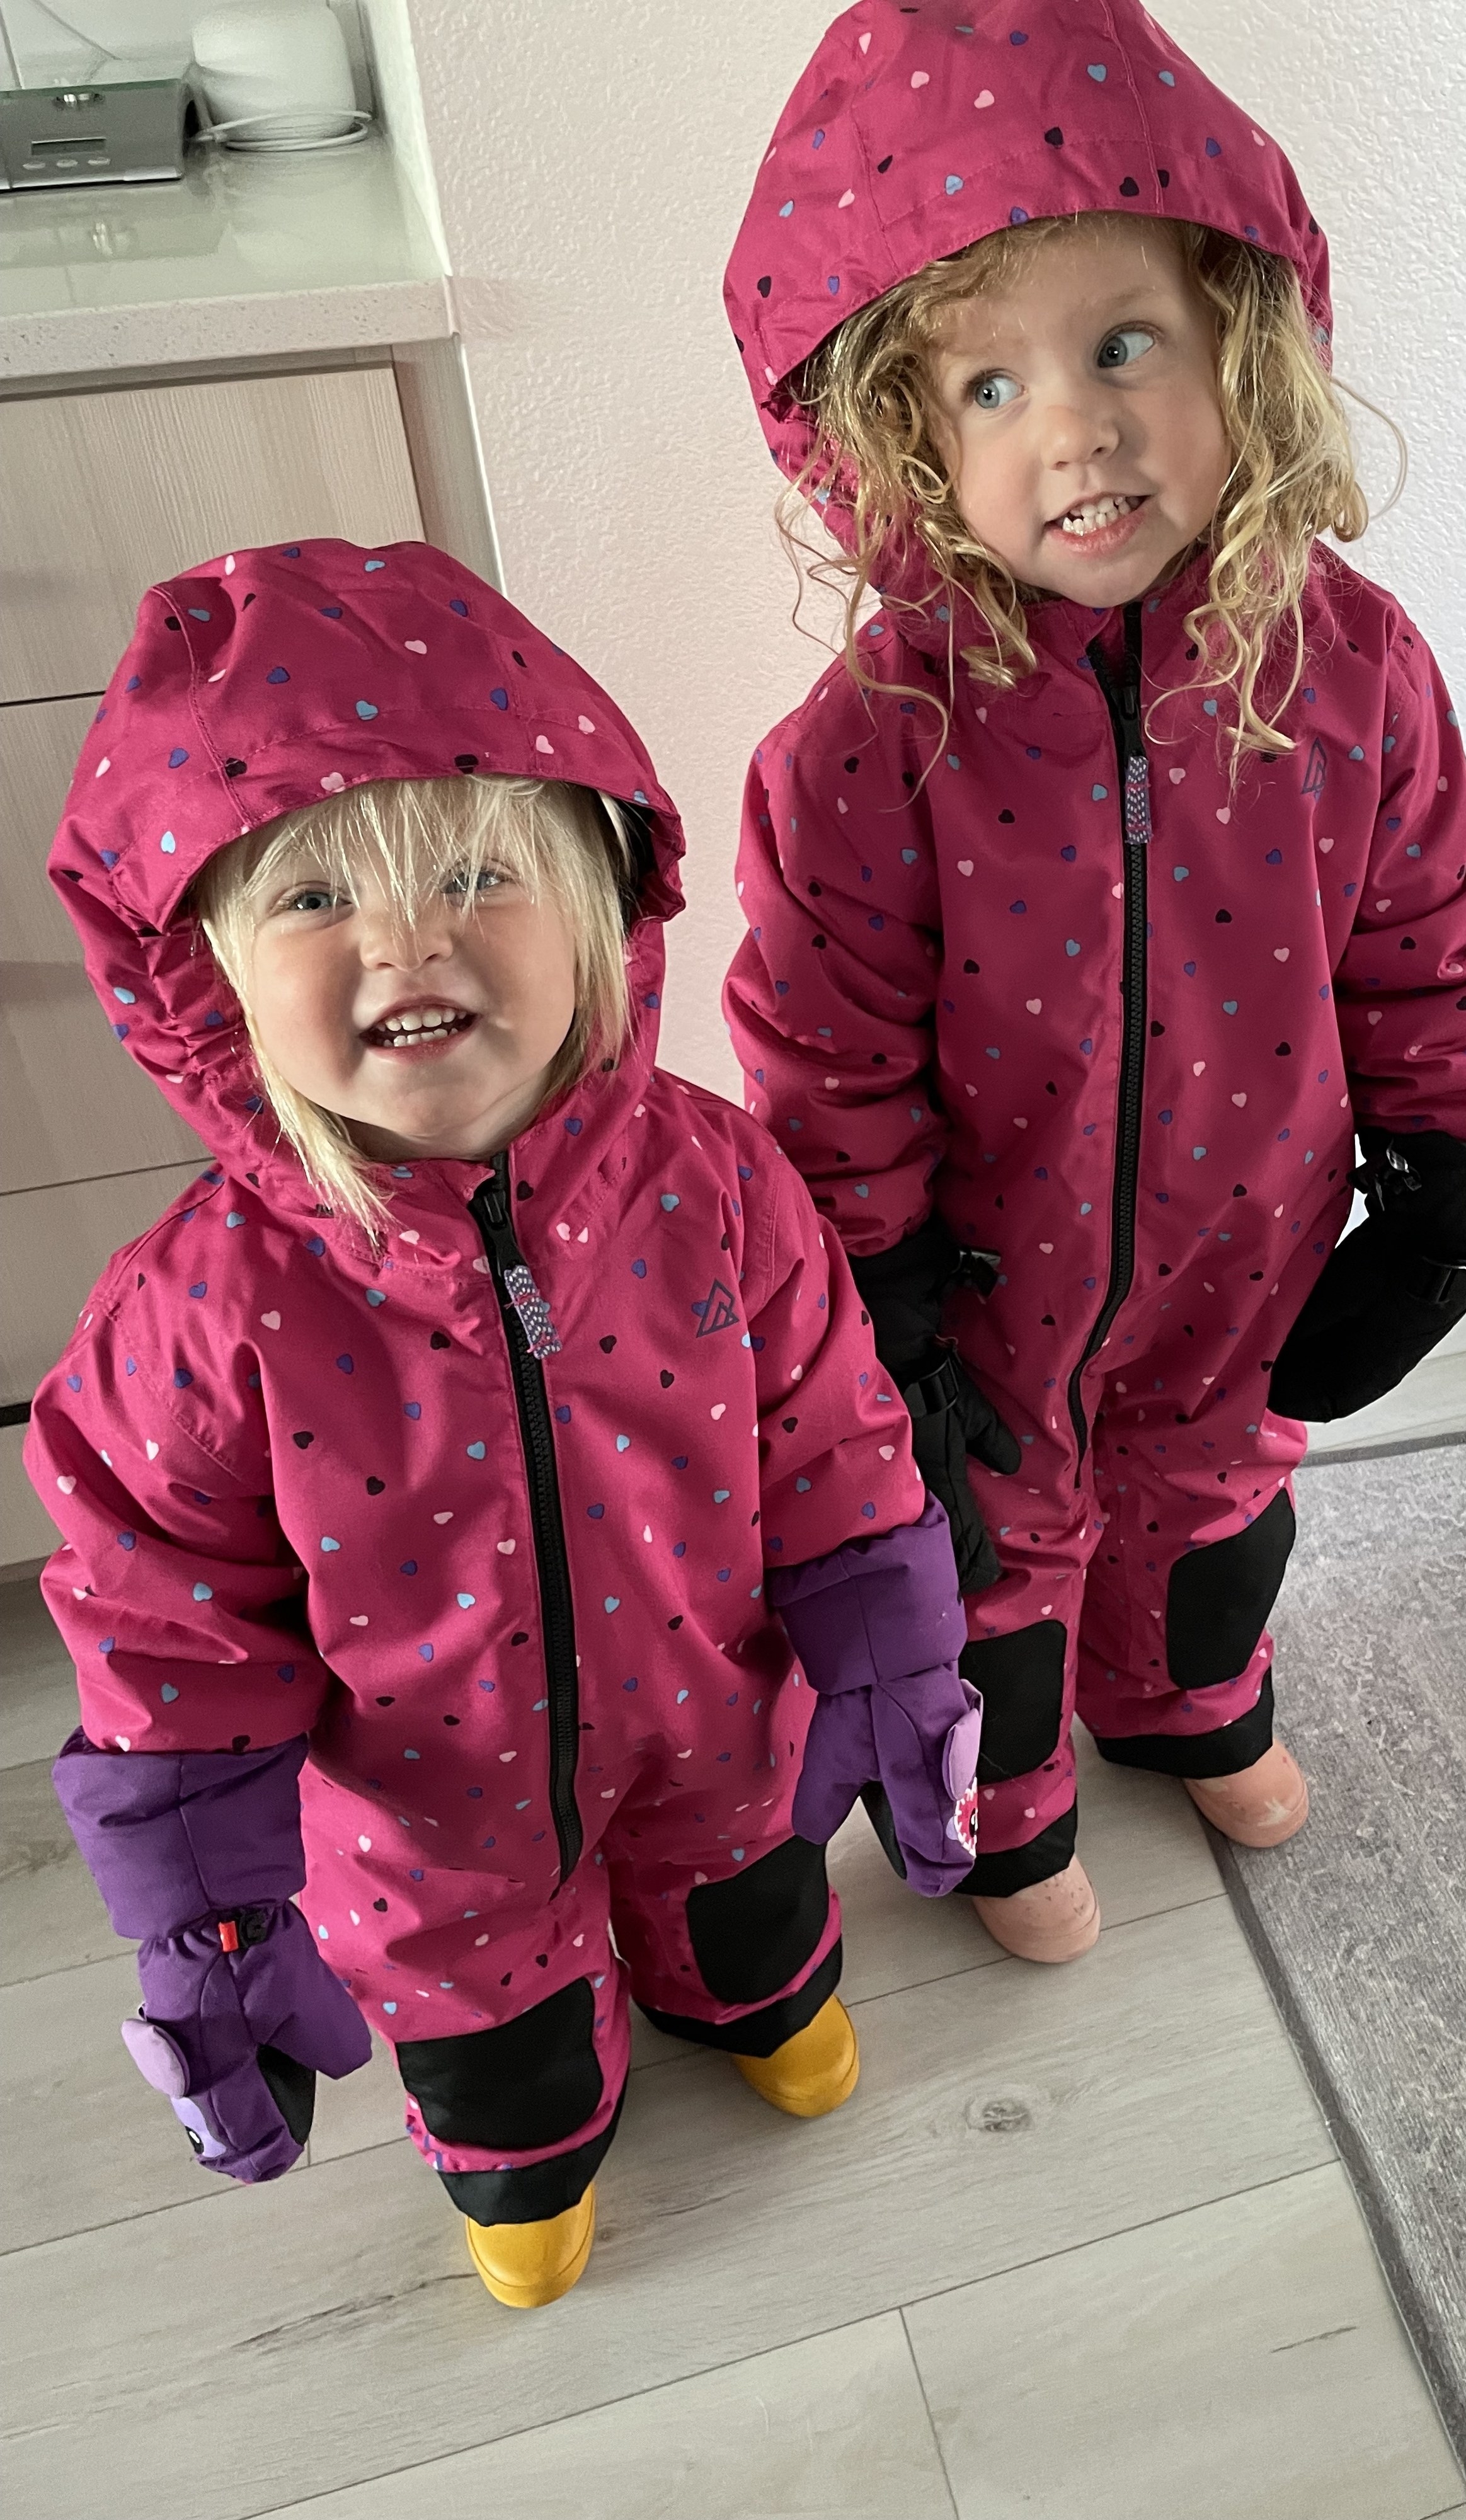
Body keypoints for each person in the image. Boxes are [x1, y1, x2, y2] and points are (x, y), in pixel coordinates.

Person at [26, 537, 980, 2309]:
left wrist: (897, 1653)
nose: (408, 937)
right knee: (503, 2055)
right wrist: (208, 1920)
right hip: (428, 1831)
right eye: (313, 901)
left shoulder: (716, 1181)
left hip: (721, 1725)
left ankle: (746, 2004)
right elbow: (164, 1631)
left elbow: (837, 1431)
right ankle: (532, 2151)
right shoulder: (199, 1314)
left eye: (476, 871)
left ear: (601, 912)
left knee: (753, 1911)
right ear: (205, 979)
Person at [723, 0, 1466, 1962]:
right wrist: (880, 1303)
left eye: (1120, 347)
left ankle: (1186, 1701)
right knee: (990, 1560)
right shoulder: (865, 752)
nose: (1077, 426)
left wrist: (1456, 1163)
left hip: (1242, 1255)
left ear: (1238, 343)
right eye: (988, 388)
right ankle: (1009, 1818)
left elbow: (1427, 926)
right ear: (899, 444)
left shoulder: (1343, 665)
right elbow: (823, 1052)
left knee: (1216, 1503)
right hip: (987, 1309)